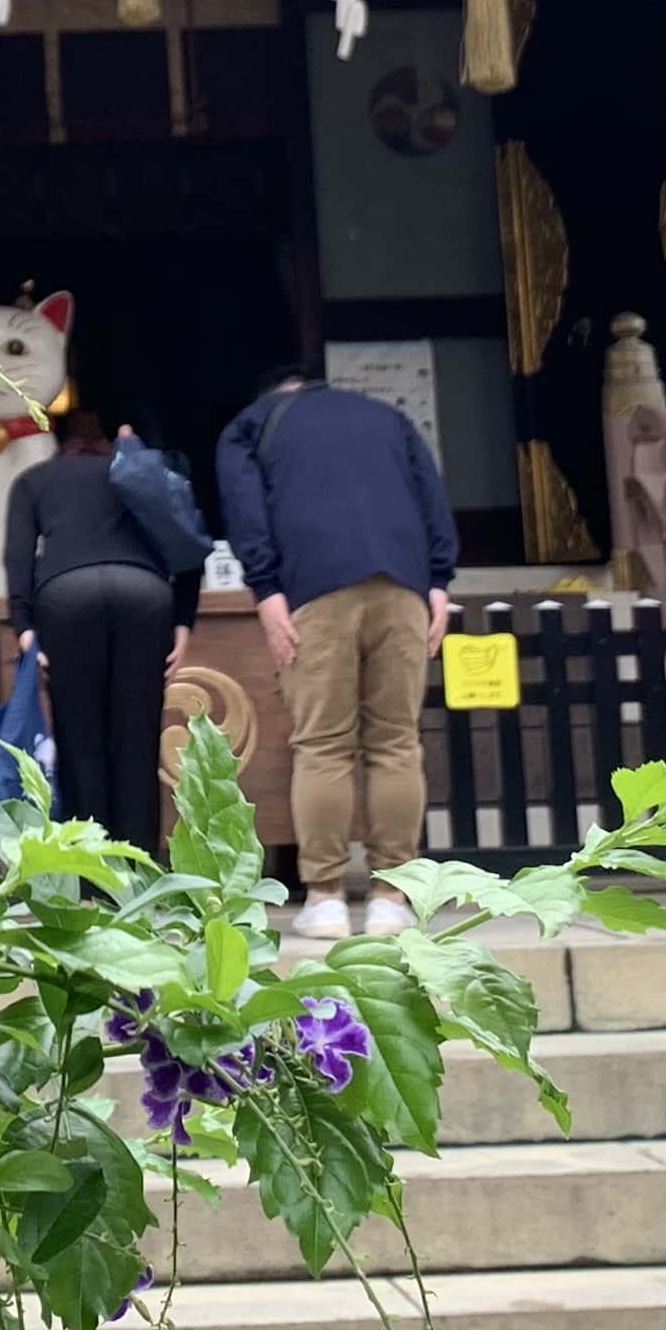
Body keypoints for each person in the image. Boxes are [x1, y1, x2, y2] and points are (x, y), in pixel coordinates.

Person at [215, 361, 455, 936]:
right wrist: (439, 581)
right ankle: (392, 898)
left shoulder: (253, 424)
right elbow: (431, 498)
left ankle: (324, 898)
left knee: (323, 744)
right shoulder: (388, 418)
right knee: (396, 742)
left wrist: (266, 589)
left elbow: (246, 510)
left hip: (315, 589)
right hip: (404, 586)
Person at [1, 406, 188, 855]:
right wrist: (184, 619)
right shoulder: (143, 474)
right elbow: (186, 540)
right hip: (144, 594)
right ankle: (138, 871)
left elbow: (18, 558)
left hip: (67, 596)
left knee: (79, 738)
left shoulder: (34, 480)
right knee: (138, 740)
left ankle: (90, 875)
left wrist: (25, 629)